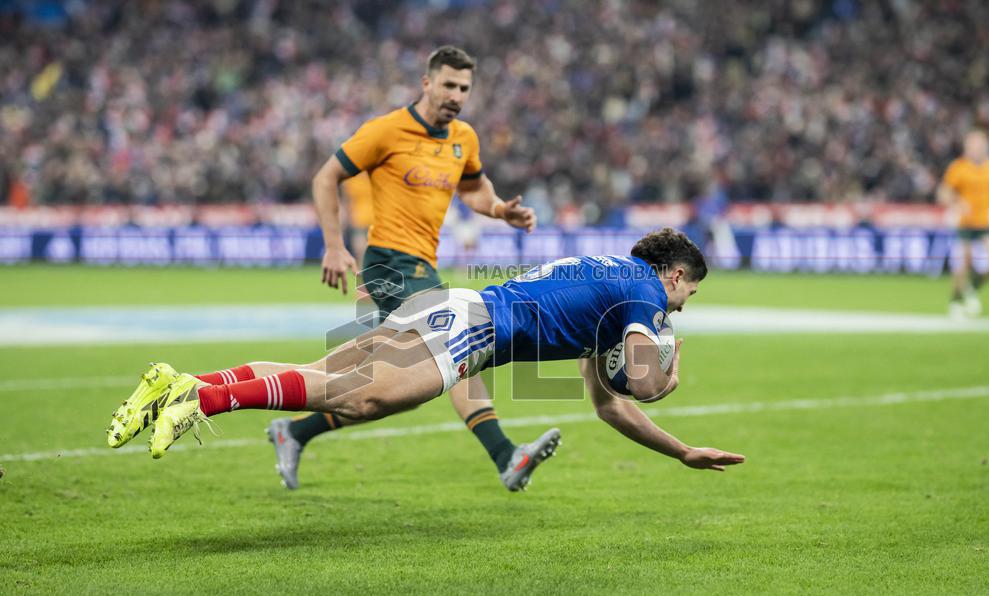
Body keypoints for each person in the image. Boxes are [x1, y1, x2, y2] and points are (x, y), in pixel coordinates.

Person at [105, 229, 746, 479]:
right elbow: (640, 377)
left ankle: (184, 384)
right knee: (366, 396)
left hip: (461, 308)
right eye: (691, 288)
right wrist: (663, 379)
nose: (685, 304)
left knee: (330, 377)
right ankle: (207, 401)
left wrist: (681, 450)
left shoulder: (612, 284)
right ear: (673, 273)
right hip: (477, 328)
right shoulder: (641, 291)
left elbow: (609, 406)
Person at [261, 45, 554, 492]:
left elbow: (473, 189)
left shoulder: (464, 138)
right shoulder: (386, 130)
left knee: (398, 391)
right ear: (427, 83)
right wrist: (335, 247)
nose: (456, 94)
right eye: (449, 84)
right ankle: (505, 455)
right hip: (388, 262)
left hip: (422, 264)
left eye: (464, 87)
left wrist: (498, 209)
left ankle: (295, 431)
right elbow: (326, 177)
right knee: (455, 347)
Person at [937, 129, 989, 317]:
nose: (977, 148)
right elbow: (943, 193)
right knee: (962, 264)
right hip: (964, 223)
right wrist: (958, 202)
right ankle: (955, 300)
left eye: (980, 144)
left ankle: (973, 286)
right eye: (973, 145)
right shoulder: (959, 167)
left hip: (984, 223)